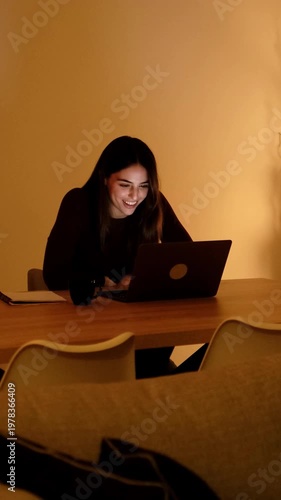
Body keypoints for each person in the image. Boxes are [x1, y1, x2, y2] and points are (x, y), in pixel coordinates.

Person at [43, 135, 203, 378]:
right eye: (125, 184)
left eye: (143, 186)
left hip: (142, 329)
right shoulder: (78, 203)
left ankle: (159, 394)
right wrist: (105, 282)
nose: (134, 196)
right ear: (105, 178)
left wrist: (145, 279)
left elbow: (187, 258)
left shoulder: (153, 204)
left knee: (216, 356)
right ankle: (160, 392)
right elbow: (53, 275)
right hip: (87, 330)